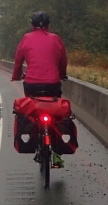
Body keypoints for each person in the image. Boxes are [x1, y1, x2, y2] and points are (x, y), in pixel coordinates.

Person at [11, 11, 68, 167]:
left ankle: (35, 136)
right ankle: (56, 154)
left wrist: (16, 75)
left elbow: (18, 60)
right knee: (55, 114)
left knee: (32, 110)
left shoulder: (26, 39)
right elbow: (63, 60)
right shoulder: (56, 39)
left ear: (32, 25)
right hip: (52, 84)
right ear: (49, 25)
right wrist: (62, 74)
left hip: (32, 84)